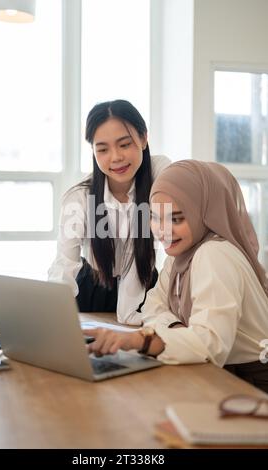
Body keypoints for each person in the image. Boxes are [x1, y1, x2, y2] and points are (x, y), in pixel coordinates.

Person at [83, 160, 268, 392]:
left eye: (176, 218)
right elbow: (151, 307)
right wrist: (178, 330)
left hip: (253, 385)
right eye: (155, 217)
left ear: (205, 212)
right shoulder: (182, 254)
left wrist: (142, 340)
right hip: (222, 374)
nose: (162, 231)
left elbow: (210, 345)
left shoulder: (214, 254)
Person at [48, 99, 170, 325]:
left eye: (124, 145)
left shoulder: (160, 175)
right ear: (93, 151)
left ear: (143, 138)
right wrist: (52, 315)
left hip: (146, 290)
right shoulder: (80, 197)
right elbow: (65, 264)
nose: (115, 157)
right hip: (92, 291)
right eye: (102, 149)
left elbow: (176, 247)